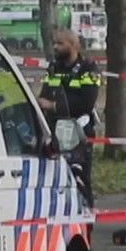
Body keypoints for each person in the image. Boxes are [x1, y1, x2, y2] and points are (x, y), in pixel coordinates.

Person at [38, 29, 101, 204]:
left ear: (73, 46)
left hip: (78, 133)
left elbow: (86, 102)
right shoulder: (53, 68)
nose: (55, 47)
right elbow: (44, 94)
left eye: (60, 43)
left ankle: (86, 222)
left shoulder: (88, 69)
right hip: (54, 133)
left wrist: (52, 106)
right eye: (54, 43)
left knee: (79, 181)